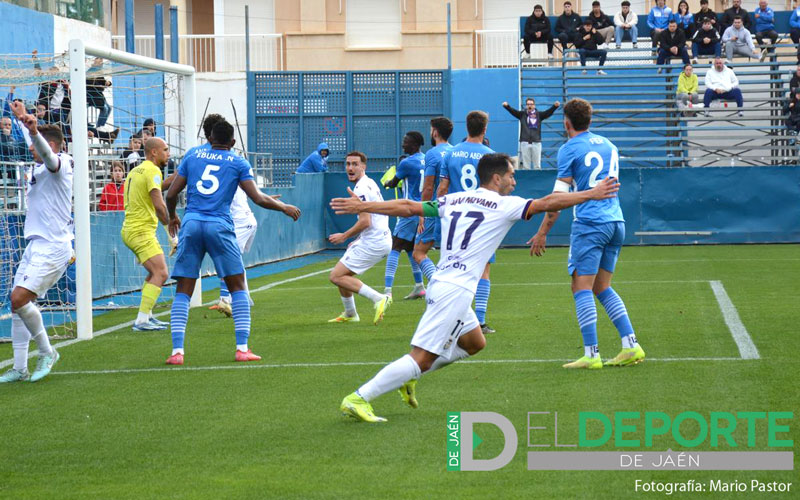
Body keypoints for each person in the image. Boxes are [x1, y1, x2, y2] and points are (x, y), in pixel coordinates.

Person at [333, 154, 619, 422]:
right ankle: (360, 397)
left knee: (474, 343)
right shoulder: (506, 205)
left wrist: (363, 206)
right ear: (496, 178)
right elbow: (547, 203)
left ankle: (408, 375)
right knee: (420, 358)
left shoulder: (453, 199)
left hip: (445, 284)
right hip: (453, 291)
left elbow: (408, 207)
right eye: (511, 175)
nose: (514, 181)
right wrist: (591, 194)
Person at [164, 120, 300, 365]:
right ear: (233, 142)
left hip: (192, 224)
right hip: (219, 225)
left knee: (184, 289)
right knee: (237, 285)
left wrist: (173, 216)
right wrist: (283, 207)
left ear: (210, 138)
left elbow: (171, 193)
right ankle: (242, 348)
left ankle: (177, 353)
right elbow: (257, 198)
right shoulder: (238, 162)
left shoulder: (193, 155)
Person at [529, 98, 643, 370]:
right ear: (590, 121)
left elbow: (558, 198)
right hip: (616, 221)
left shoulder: (569, 149)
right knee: (602, 286)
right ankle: (631, 345)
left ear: (566, 122)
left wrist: (542, 232)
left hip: (590, 224)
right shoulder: (609, 145)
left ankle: (592, 354)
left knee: (580, 287)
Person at [0, 102, 72, 383]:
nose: (31, 148)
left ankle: (47, 351)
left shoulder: (61, 163)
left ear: (51, 145)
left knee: (19, 299)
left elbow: (47, 155)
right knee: (16, 304)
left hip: (54, 246)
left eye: (36, 144)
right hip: (36, 244)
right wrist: (21, 120)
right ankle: (19, 367)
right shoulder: (39, 168)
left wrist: (32, 132)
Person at [183, 114, 262, 317]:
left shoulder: (197, 156)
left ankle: (227, 299)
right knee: (232, 261)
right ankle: (243, 298)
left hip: (236, 219)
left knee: (226, 261)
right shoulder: (235, 159)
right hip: (234, 219)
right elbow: (256, 195)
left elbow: (175, 186)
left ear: (208, 136)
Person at [438, 111, 496, 334]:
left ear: (467, 127)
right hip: (481, 220)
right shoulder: (490, 156)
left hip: (456, 220)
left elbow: (443, 188)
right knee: (483, 270)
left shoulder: (451, 153)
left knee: (453, 268)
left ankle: (451, 318)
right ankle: (479, 321)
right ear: (484, 128)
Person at [327, 151, 392, 325]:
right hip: (379, 238)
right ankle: (350, 313)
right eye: (348, 164)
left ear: (364, 166)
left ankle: (379, 298)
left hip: (375, 241)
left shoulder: (361, 187)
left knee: (336, 276)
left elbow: (365, 221)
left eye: (355, 164)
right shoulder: (369, 182)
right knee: (343, 273)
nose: (350, 168)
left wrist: (344, 236)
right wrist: (357, 240)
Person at [121, 138, 174, 332]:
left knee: (154, 273)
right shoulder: (153, 171)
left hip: (132, 229)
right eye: (165, 150)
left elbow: (155, 190)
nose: (168, 153)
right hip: (140, 231)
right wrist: (171, 229)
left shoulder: (136, 170)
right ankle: (142, 320)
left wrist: (177, 177)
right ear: (154, 152)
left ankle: (147, 316)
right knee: (161, 272)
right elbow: (159, 204)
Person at [382, 132, 426, 299]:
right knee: (411, 250)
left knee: (395, 247)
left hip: (409, 211)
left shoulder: (407, 163)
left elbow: (393, 182)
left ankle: (387, 291)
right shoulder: (427, 159)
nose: (403, 145)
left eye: (405, 142)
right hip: (424, 210)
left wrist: (387, 183)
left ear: (414, 144)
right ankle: (419, 286)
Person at [412, 116, 453, 283]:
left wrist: (422, 212)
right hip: (456, 208)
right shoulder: (455, 150)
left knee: (418, 252)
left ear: (435, 132)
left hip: (438, 208)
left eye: (431, 130)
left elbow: (428, 187)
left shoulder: (432, 154)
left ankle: (439, 285)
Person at [502, 97, 560, 170]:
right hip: (525, 142)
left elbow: (548, 113)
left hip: (536, 142)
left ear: (534, 105)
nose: (530, 106)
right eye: (528, 104)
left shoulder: (539, 115)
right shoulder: (522, 114)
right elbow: (513, 111)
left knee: (537, 166)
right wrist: (507, 106)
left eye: (531, 104)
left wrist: (554, 107)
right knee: (526, 166)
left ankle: (538, 181)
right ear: (526, 105)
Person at [86, 58, 112, 129]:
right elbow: (91, 85)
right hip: (92, 96)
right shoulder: (90, 72)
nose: (101, 63)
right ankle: (99, 126)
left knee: (109, 108)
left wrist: (108, 83)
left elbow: (102, 81)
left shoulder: (98, 72)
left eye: (101, 62)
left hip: (98, 95)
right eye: (99, 61)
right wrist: (102, 87)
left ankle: (101, 125)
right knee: (105, 109)